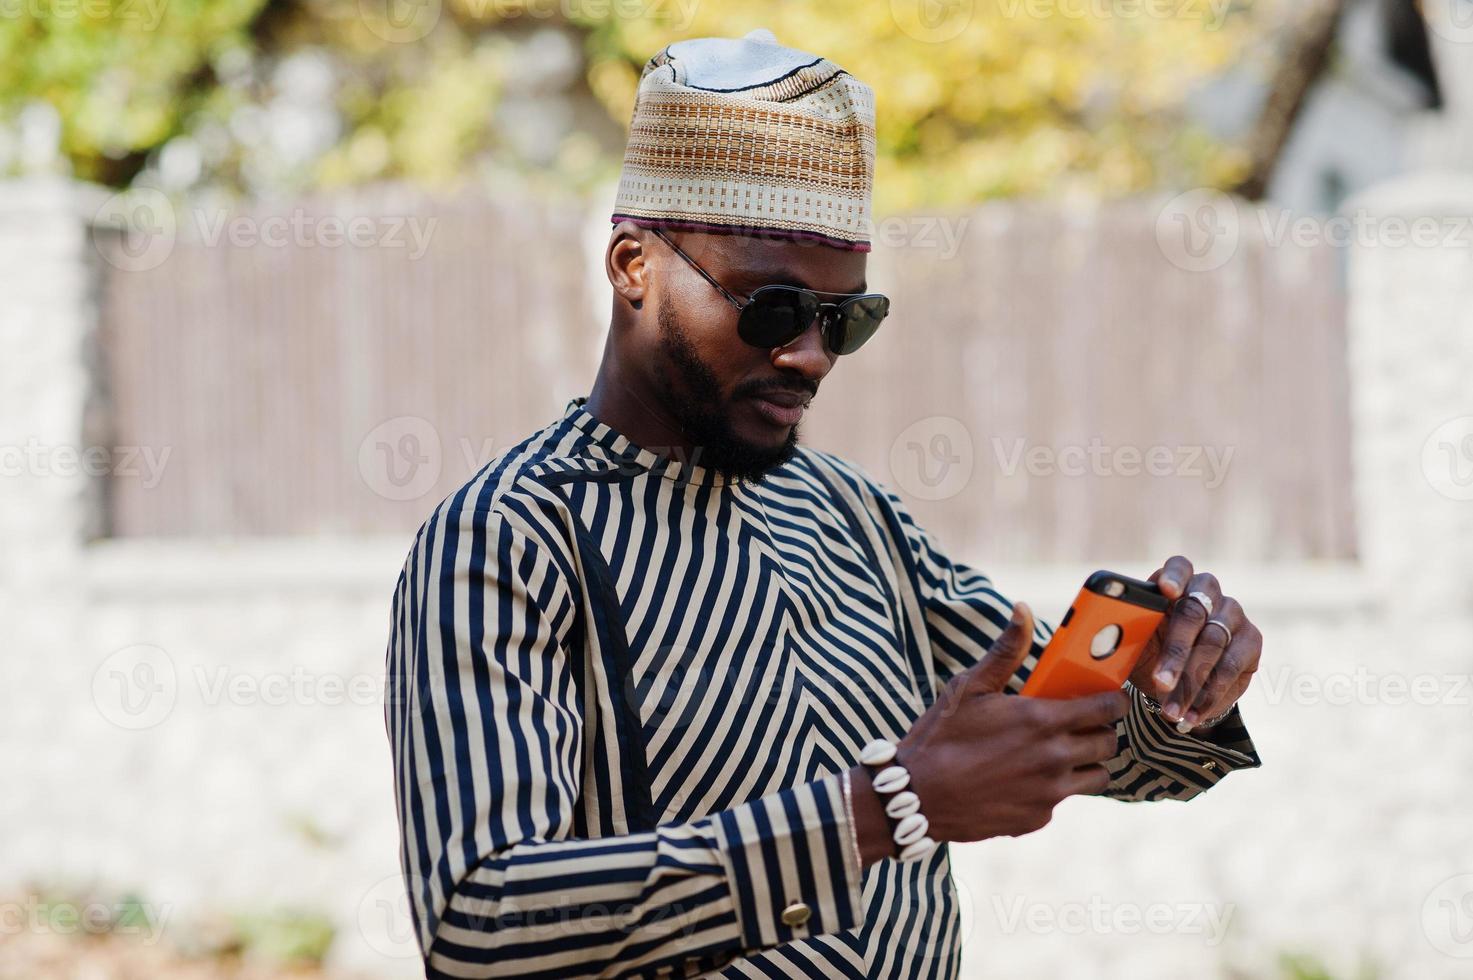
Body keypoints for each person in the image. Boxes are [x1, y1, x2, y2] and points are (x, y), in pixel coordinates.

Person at [384, 28, 1263, 979]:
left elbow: (1054, 743)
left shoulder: (854, 515)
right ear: (633, 265)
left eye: (845, 319)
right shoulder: (508, 538)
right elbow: (481, 923)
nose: (808, 355)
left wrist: (1179, 697)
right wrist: (876, 812)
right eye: (771, 308)